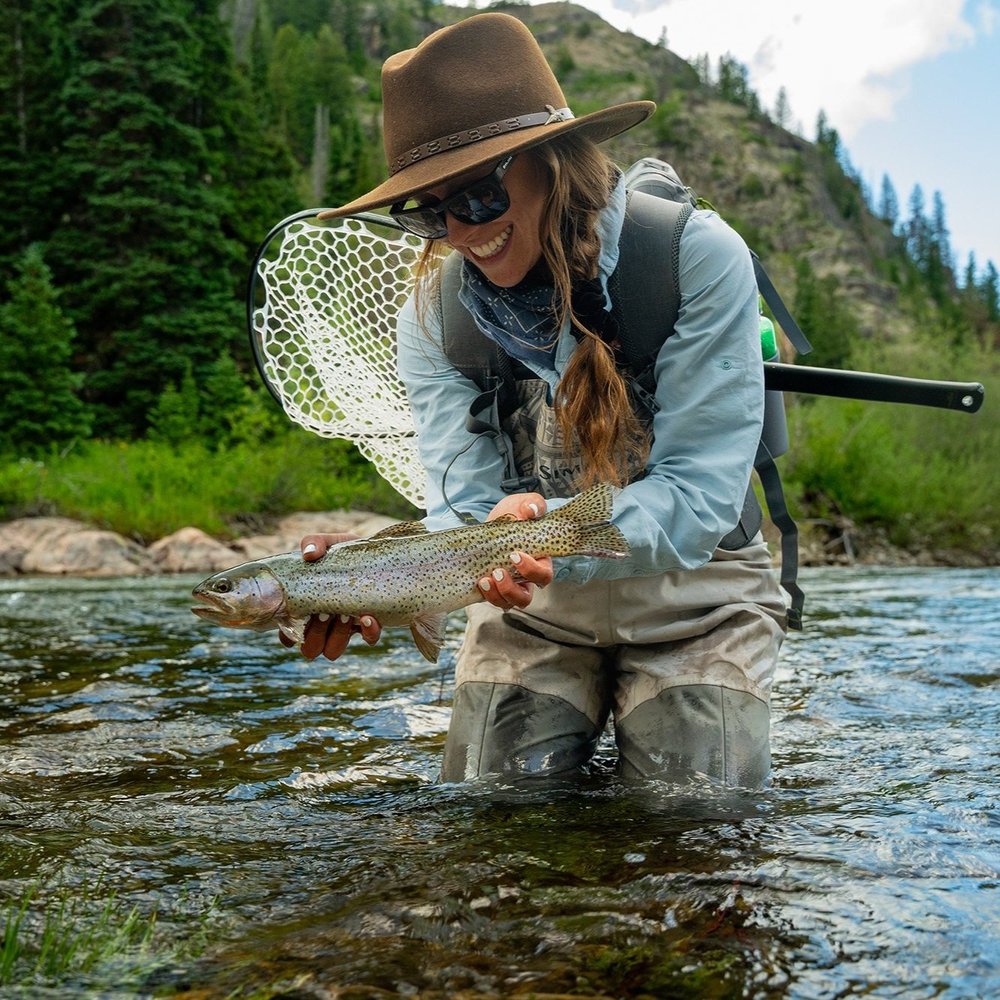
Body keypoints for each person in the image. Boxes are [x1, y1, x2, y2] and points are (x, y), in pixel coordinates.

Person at [285, 13, 788, 787]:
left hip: (703, 599)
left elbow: (696, 496)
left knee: (693, 822)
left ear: (552, 161)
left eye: (480, 196)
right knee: (494, 806)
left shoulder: (697, 258)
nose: (460, 233)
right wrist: (372, 586)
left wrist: (544, 539)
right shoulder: (431, 315)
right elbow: (462, 510)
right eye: (427, 210)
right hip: (531, 612)